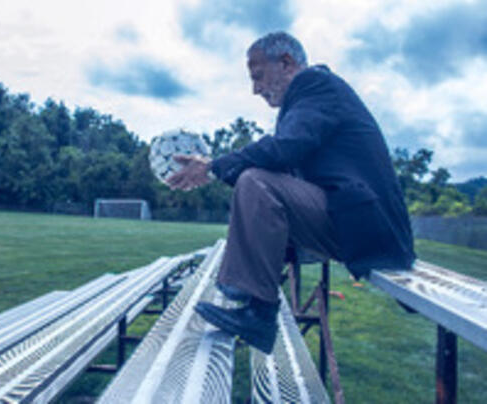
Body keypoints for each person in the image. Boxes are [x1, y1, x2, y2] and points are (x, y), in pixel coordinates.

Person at [167, 31, 416, 353]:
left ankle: (257, 310)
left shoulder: (315, 84)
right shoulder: (307, 99)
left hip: (367, 228)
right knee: (259, 179)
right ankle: (245, 293)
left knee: (255, 181)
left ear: (286, 63)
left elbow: (285, 148)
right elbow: (287, 165)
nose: (255, 89)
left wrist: (213, 167)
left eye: (258, 77)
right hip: (349, 221)